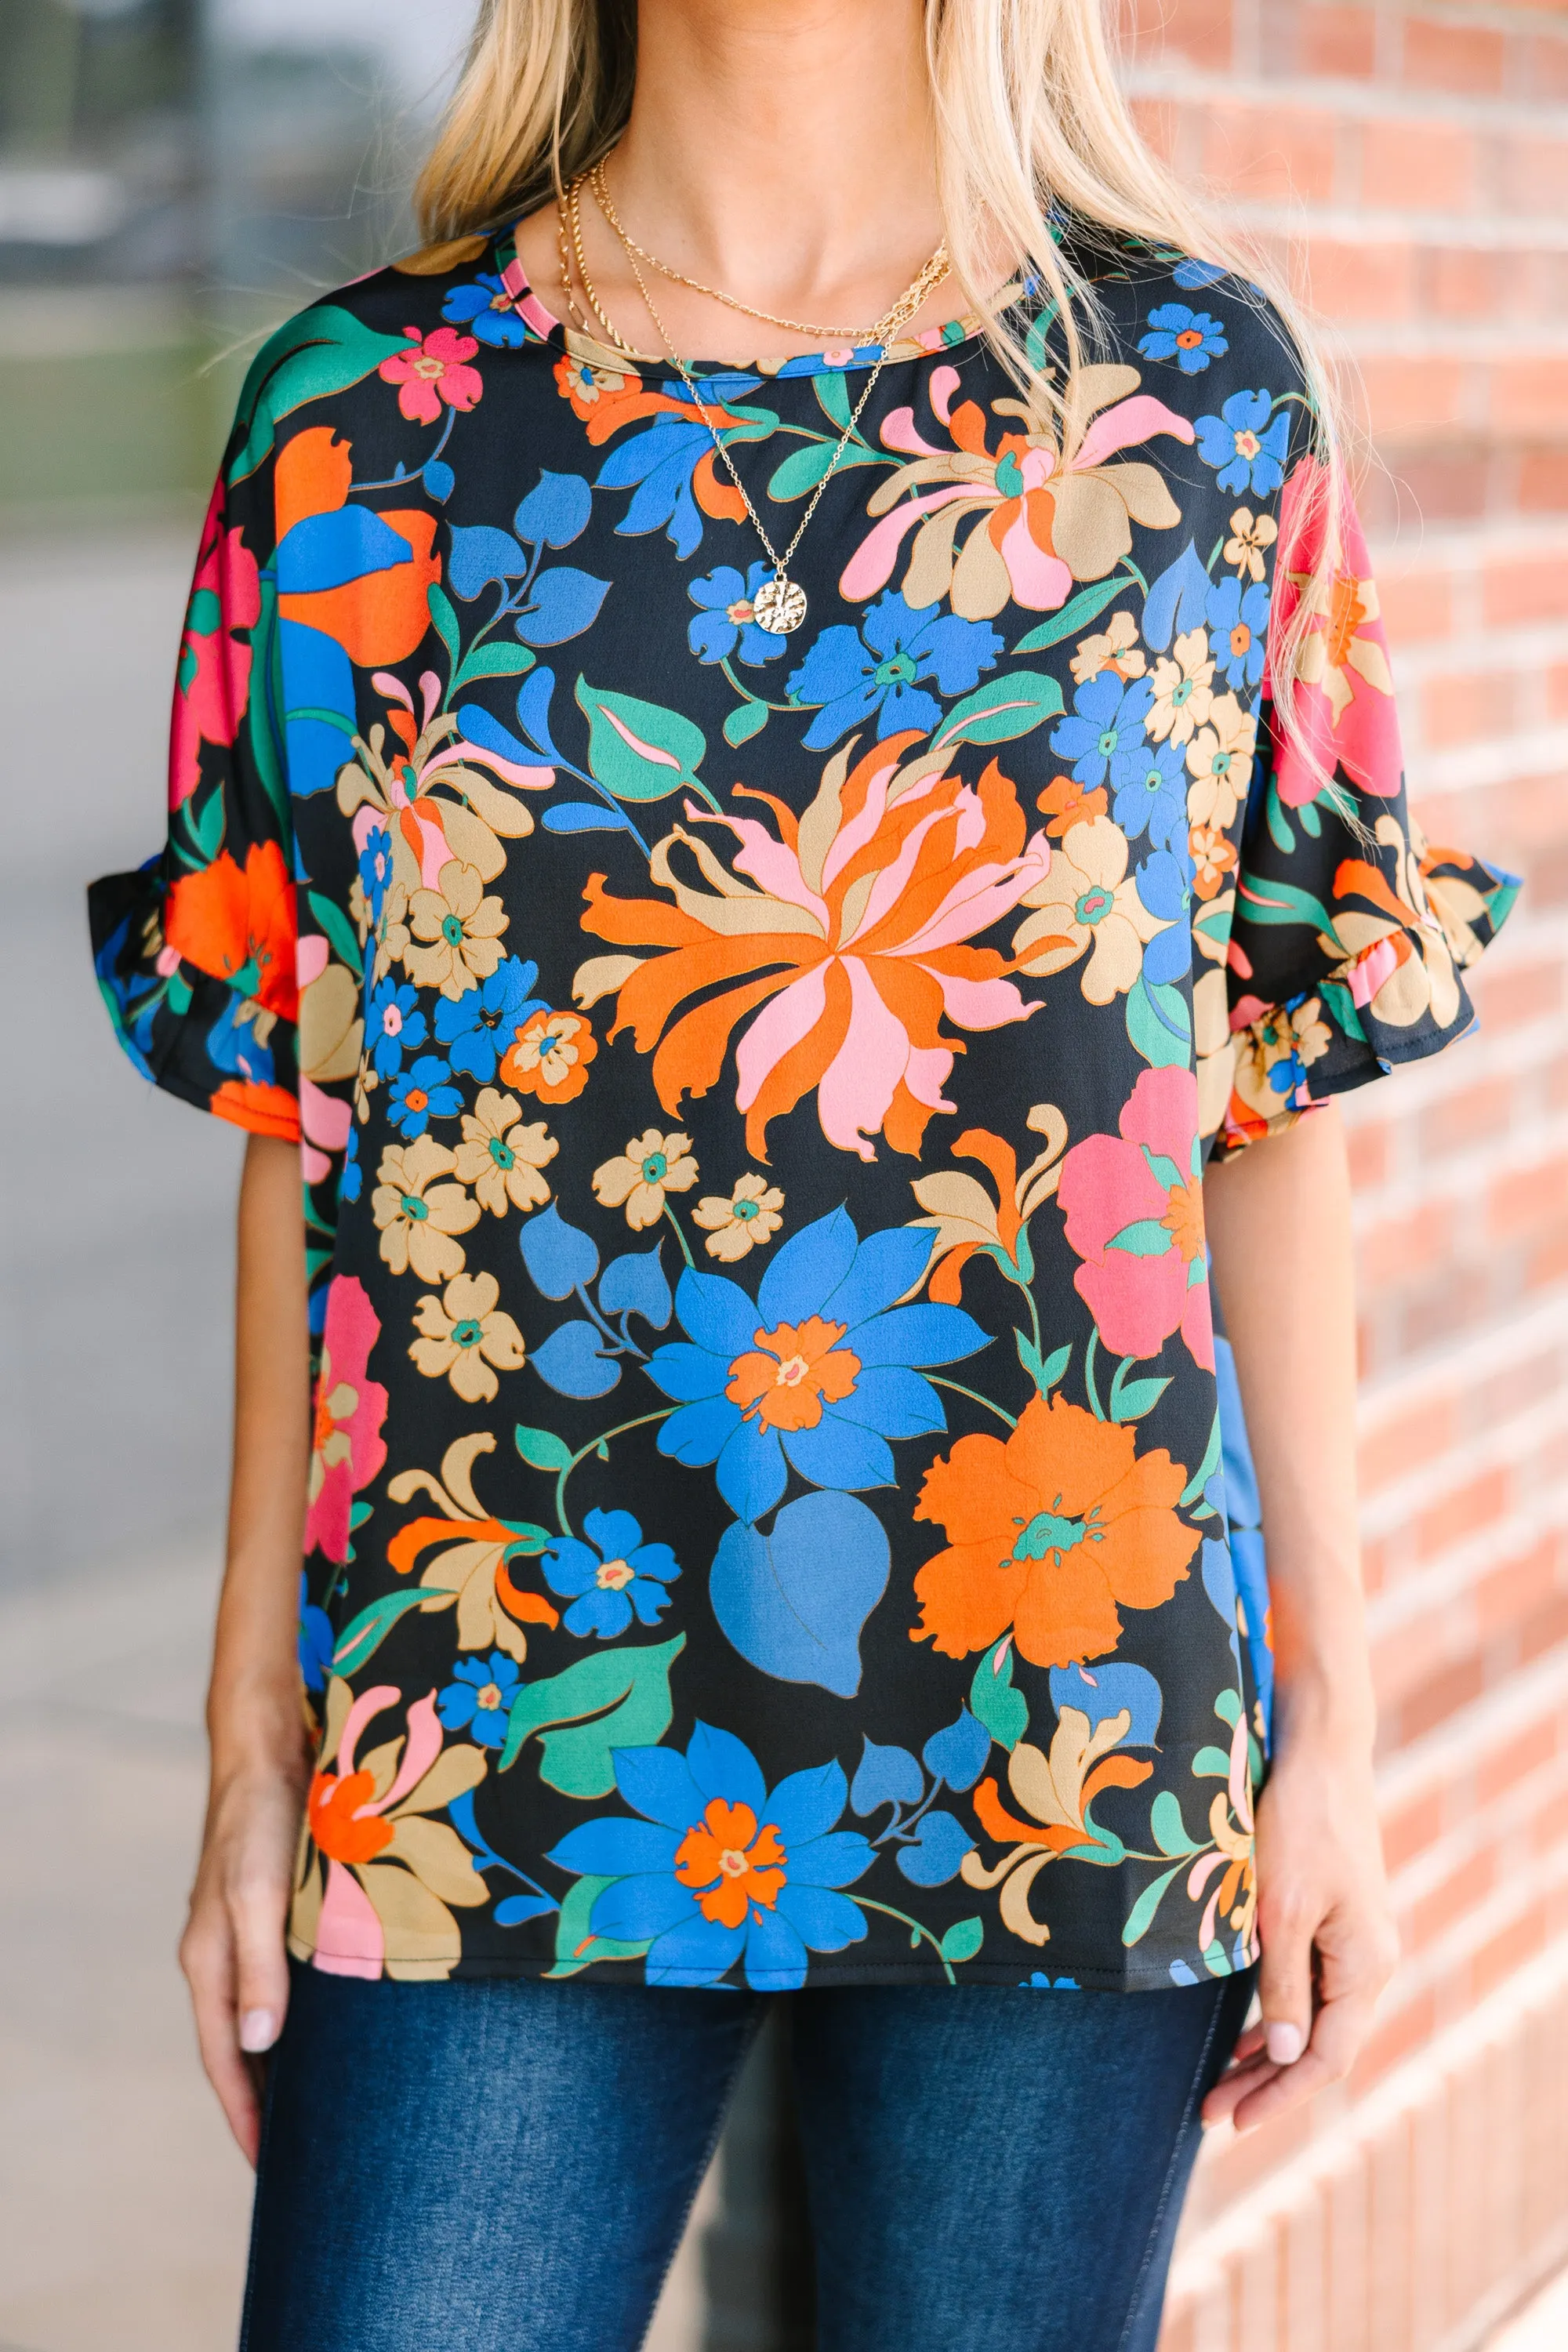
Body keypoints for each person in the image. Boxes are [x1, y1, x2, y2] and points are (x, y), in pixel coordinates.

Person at [89, 1, 1519, 2345]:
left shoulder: (1199, 401)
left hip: (1067, 1708)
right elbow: (301, 1118)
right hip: (492, 1712)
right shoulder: (357, 422)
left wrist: (1336, 1746)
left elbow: (1258, 1114)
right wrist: (255, 1747)